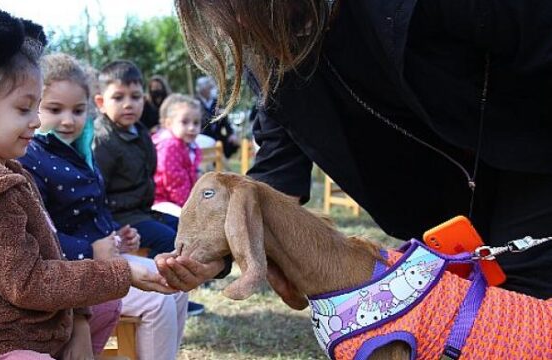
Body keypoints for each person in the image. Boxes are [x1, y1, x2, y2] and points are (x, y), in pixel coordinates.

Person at [158, 0, 552, 301]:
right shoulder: (272, 59)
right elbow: (278, 176)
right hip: (440, 217)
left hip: (530, 165)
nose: (240, 23)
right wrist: (214, 255)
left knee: (522, 315)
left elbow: (535, 34)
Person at [0, 10, 173, 360]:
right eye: (24, 109)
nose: (37, 121)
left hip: (33, 330)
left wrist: (81, 319)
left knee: (106, 305)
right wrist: (124, 270)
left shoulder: (7, 171)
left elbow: (50, 252)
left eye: (36, 108)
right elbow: (28, 283)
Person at [20, 53, 189, 359]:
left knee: (174, 285)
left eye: (78, 110)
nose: (68, 120)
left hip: (100, 264)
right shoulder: (32, 157)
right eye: (55, 109)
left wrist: (117, 235)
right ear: (34, 107)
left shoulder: (82, 150)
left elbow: (95, 210)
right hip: (69, 277)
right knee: (158, 299)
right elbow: (38, 235)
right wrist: (92, 250)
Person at [93, 60, 206, 316]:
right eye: (118, 97)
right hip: (118, 217)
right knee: (169, 240)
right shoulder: (103, 141)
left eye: (135, 96)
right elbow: (97, 191)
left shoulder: (141, 132)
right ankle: (156, 293)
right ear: (101, 103)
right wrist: (110, 229)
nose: (128, 104)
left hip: (141, 210)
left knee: (185, 231)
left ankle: (177, 295)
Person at [152, 93, 203, 210]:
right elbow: (174, 181)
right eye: (184, 122)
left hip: (180, 198)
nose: (191, 128)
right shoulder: (170, 146)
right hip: (163, 200)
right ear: (169, 124)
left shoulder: (190, 146)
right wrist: (188, 205)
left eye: (196, 123)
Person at [196, 76, 239, 158]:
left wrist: (231, 133)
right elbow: (200, 120)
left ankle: (221, 165)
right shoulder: (195, 102)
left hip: (217, 136)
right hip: (203, 136)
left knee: (232, 143)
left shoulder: (216, 102)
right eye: (209, 87)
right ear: (203, 89)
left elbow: (224, 120)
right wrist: (215, 114)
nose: (212, 89)